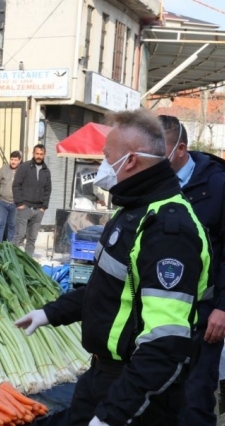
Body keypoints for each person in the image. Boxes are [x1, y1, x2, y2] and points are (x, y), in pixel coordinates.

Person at [15, 109, 211, 426]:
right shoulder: (133, 209)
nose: (103, 165)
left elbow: (164, 344)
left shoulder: (167, 229)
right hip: (102, 375)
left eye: (107, 156)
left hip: (138, 391)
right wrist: (51, 313)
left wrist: (111, 416)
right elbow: (106, 289)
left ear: (131, 160)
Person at [159, 115, 225, 426]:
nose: (155, 159)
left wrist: (224, 307)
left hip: (204, 317)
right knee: (160, 401)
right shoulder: (154, 187)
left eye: (161, 152)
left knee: (195, 402)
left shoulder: (218, 186)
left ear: (180, 149)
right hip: (160, 317)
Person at [12, 144, 51, 255]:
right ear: (33, 154)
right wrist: (19, 203)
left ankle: (27, 261)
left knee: (32, 239)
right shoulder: (24, 167)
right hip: (25, 207)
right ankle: (12, 259)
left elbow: (48, 190)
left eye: (41, 154)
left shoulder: (46, 171)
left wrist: (44, 207)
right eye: (37, 153)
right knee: (19, 236)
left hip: (38, 210)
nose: (39, 156)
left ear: (44, 155)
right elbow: (16, 185)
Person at [0, 151, 21, 242]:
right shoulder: (4, 169)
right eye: (12, 159)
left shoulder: (22, 171)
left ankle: (10, 247)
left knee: (12, 224)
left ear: (19, 160)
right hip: (2, 201)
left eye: (15, 160)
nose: (13, 162)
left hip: (15, 203)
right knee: (0, 223)